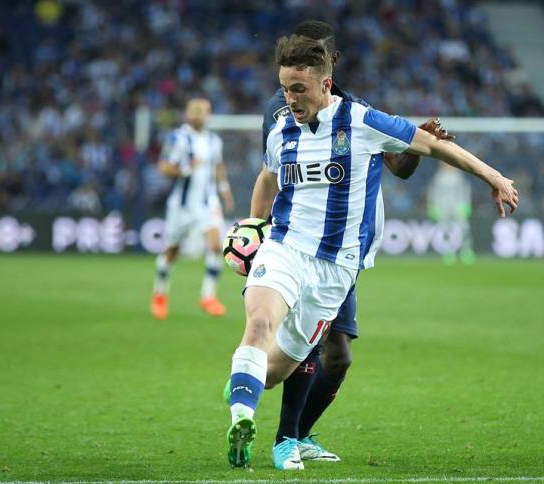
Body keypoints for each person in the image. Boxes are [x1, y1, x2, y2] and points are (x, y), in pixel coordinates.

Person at [225, 34, 518, 470]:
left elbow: (433, 146)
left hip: (335, 268)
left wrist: (493, 176)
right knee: (260, 321)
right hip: (284, 248)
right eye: (285, 88)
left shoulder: (362, 121)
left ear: (326, 84)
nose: (290, 99)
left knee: (273, 373)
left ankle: (245, 384)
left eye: (299, 89)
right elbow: (269, 176)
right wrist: (254, 225)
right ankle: (241, 422)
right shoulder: (281, 130)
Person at [150, 98, 234, 319]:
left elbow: (218, 166)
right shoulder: (178, 138)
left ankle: (208, 296)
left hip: (208, 203)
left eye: (203, 111)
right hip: (182, 206)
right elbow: (163, 167)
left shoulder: (214, 141)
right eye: (195, 110)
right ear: (187, 114)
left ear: (209, 114)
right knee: (172, 251)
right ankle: (160, 293)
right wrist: (186, 169)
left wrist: (224, 190)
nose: (199, 114)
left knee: (215, 246)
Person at [427, 162, 475, 264]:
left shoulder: (459, 176)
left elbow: (465, 190)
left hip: (458, 206)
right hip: (443, 207)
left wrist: (466, 204)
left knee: (464, 228)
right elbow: (434, 192)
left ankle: (466, 251)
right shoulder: (439, 176)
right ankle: (449, 251)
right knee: (447, 231)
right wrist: (434, 206)